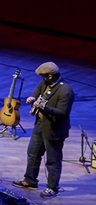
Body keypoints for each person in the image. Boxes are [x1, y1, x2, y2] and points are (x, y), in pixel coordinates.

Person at [14, 62, 75, 197]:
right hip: (40, 125)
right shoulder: (46, 83)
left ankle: (52, 188)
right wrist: (33, 97)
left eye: (43, 76)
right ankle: (30, 180)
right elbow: (38, 89)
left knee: (52, 159)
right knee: (33, 153)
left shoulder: (65, 90)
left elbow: (62, 112)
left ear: (50, 76)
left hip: (54, 130)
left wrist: (43, 107)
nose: (42, 79)